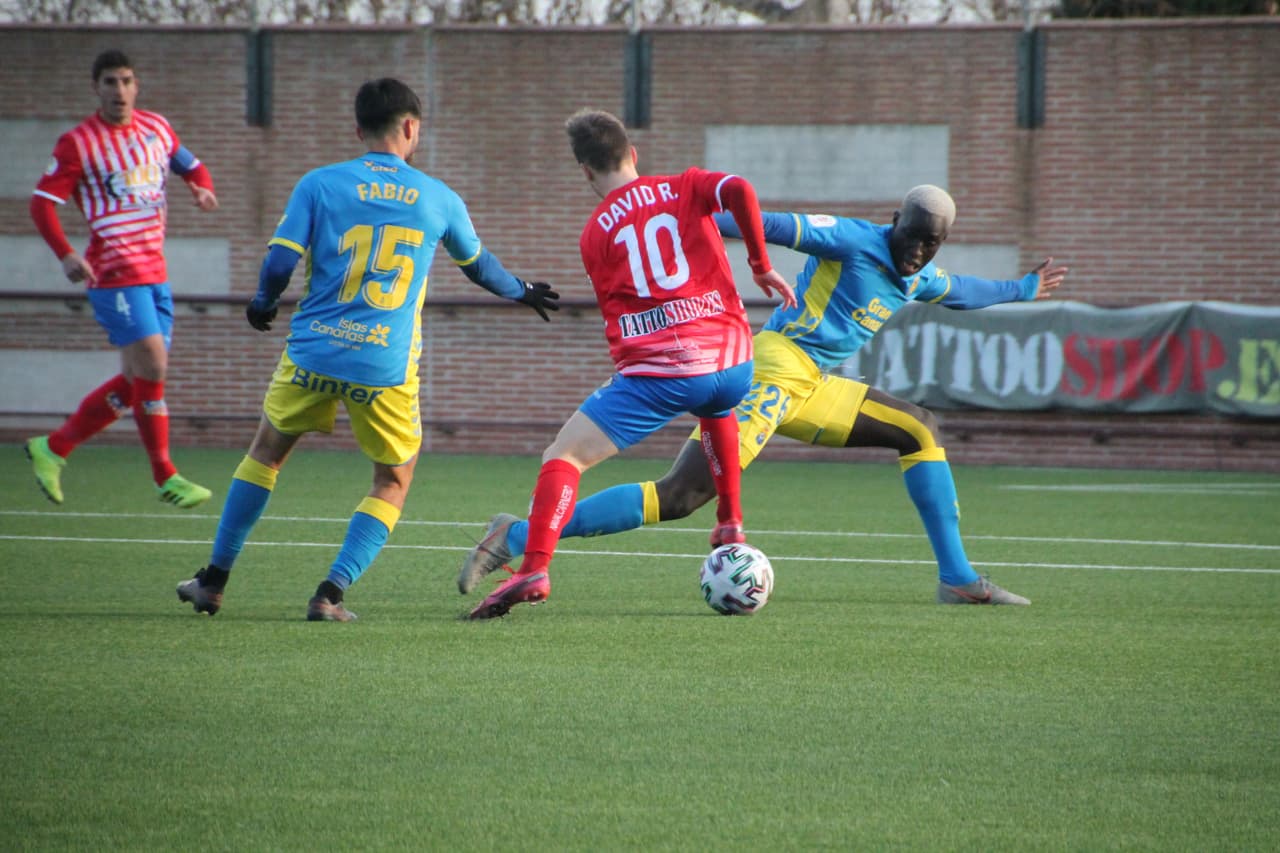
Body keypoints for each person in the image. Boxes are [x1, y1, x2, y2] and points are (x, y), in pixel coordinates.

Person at [459, 185, 1069, 606]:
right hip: (775, 369)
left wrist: (1023, 285)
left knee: (919, 428)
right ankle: (517, 537)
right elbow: (768, 224)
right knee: (681, 497)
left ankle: (958, 578)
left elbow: (962, 290)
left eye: (928, 244)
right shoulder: (853, 238)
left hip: (813, 386)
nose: (916, 252)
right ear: (894, 221)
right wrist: (694, 226)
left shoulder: (920, 273)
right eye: (911, 237)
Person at [175, 77, 560, 621]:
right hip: (383, 366)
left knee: (265, 454)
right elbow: (481, 269)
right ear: (411, 127)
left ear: (358, 129)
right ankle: (329, 595)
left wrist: (263, 301)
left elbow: (281, 262)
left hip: (312, 353)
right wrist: (523, 291)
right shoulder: (438, 198)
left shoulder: (320, 184)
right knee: (392, 478)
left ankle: (213, 581)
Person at [464, 108, 797, 620]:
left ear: (585, 171)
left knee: (565, 455)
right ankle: (730, 521)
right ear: (633, 154)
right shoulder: (685, 186)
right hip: (732, 364)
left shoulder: (595, 233)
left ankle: (534, 565)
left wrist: (632, 370)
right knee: (718, 407)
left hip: (664, 374)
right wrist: (761, 265)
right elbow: (741, 190)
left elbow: (621, 319)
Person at [25, 49, 219, 509]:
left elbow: (190, 164)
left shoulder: (157, 129)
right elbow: (40, 203)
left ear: (136, 86)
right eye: (110, 82)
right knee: (153, 369)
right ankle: (165, 475)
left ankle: (52, 449)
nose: (119, 90)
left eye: (126, 81)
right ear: (97, 88)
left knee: (137, 384)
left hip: (156, 274)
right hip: (113, 273)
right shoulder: (78, 143)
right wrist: (67, 254)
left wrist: (201, 186)